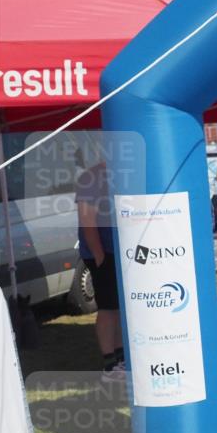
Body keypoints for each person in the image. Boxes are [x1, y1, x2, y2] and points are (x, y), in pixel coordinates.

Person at [75, 160, 124, 382]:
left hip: (120, 252)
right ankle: (110, 365)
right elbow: (87, 221)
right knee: (108, 308)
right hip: (103, 252)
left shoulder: (121, 173)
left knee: (119, 308)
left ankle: (121, 359)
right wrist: (99, 255)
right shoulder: (90, 178)